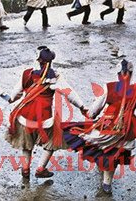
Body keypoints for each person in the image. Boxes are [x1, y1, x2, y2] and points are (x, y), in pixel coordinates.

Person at [63, 59, 136, 194]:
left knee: (104, 148)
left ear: (118, 74)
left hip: (108, 126)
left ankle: (105, 177)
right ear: (131, 73)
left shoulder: (109, 87)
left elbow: (96, 108)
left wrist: (90, 114)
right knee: (115, 154)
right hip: (126, 128)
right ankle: (107, 183)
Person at [6, 46, 87, 179]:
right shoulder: (55, 76)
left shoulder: (27, 74)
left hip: (25, 117)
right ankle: (40, 168)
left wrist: (11, 99)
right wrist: (82, 107)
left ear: (38, 60)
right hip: (45, 119)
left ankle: (25, 169)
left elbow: (15, 94)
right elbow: (69, 93)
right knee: (53, 141)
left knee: (27, 145)